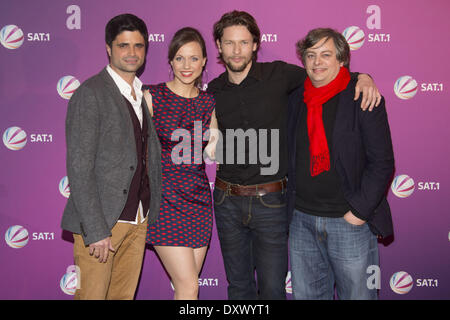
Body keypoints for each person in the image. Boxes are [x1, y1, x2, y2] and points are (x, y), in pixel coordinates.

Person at [207, 10, 381, 300]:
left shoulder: (281, 75)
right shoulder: (212, 91)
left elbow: (328, 73)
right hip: (227, 200)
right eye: (229, 43)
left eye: (243, 42)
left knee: (274, 290)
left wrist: (364, 76)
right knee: (238, 289)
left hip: (271, 202)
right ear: (218, 45)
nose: (236, 50)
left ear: (255, 45)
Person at [286, 28, 394, 300]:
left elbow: (382, 162)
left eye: (326, 54)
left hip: (349, 222)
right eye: (310, 55)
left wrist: (358, 212)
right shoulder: (295, 98)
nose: (317, 62)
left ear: (342, 60)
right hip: (301, 220)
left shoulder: (362, 96)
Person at [61, 13, 162, 300]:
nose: (132, 53)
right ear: (108, 47)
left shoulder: (141, 94)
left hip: (137, 220)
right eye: (123, 45)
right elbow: (79, 167)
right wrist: (95, 230)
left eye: (138, 46)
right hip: (102, 225)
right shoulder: (90, 93)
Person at [143, 27, 216, 300]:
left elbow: (215, 149)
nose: (187, 66)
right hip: (165, 201)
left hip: (198, 202)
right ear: (171, 61)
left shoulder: (210, 103)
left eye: (194, 58)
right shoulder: (153, 96)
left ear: (204, 61)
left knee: (187, 288)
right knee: (189, 287)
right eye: (180, 58)